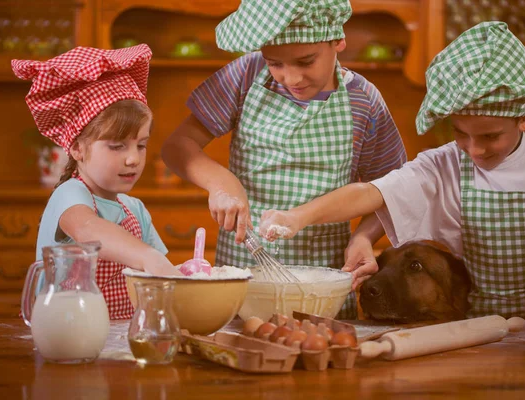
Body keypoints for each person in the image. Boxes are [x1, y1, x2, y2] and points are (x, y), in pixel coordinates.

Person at [258, 21, 525, 320]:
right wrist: (296, 218)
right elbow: (370, 192)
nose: (475, 150)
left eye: (490, 136)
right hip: (483, 322)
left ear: (524, 120)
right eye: (461, 134)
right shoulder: (443, 164)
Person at [161, 0, 407, 318]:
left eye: (306, 61)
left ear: (337, 41)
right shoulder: (247, 74)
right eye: (275, 63)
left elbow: (390, 191)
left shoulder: (364, 101)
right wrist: (220, 182)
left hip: (322, 288)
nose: (291, 78)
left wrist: (363, 236)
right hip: (242, 277)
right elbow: (177, 145)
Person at [12, 44, 182, 320]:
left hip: (121, 340)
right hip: (66, 332)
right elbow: (89, 229)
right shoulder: (70, 194)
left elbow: (160, 274)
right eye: (117, 146)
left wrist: (185, 274)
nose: (133, 159)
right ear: (78, 148)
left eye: (140, 145)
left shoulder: (135, 209)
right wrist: (148, 258)